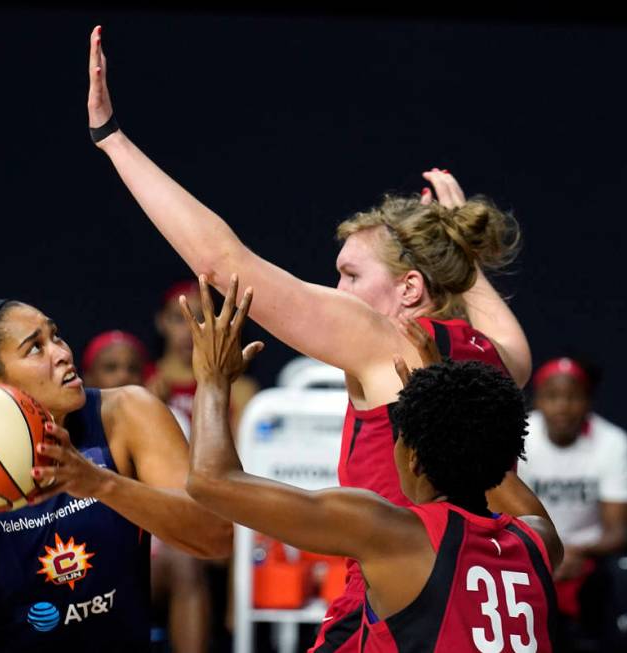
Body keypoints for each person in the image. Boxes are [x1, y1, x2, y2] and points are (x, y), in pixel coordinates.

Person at [85, 26, 549, 651]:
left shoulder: (381, 337)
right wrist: (457, 243)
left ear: (409, 289)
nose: (336, 290)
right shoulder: (493, 359)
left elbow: (225, 265)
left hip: (389, 610)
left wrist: (112, 140)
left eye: (350, 275)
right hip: (473, 600)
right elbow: (499, 327)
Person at [183, 275, 563, 652]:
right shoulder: (539, 539)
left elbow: (210, 480)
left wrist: (212, 379)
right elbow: (488, 455)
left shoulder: (395, 534)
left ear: (412, 458)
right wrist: (444, 396)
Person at [0, 300, 232, 653]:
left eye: (56, 336)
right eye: (35, 348)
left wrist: (101, 484)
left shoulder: (128, 415)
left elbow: (215, 537)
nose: (62, 353)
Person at [80, 328, 213, 653]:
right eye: (111, 367)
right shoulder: (69, 424)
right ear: (87, 376)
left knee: (185, 560)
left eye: (132, 368)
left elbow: (193, 505)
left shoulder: (169, 419)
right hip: (82, 542)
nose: (124, 374)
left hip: (153, 543)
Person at [518, 356, 627, 652]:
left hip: (588, 556)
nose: (562, 406)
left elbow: (618, 532)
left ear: (588, 402)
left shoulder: (612, 442)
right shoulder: (520, 437)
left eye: (573, 397)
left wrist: (576, 552)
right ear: (538, 401)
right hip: (532, 553)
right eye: (553, 396)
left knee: (626, 571)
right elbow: (507, 513)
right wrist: (547, 554)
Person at [147, 280, 259, 435]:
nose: (189, 329)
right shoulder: (142, 380)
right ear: (161, 322)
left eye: (201, 318)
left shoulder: (238, 389)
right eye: (179, 318)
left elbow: (241, 455)